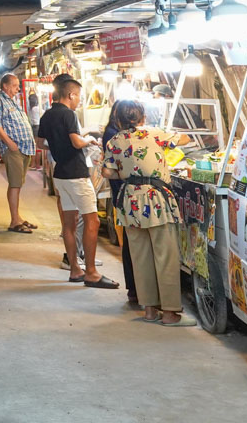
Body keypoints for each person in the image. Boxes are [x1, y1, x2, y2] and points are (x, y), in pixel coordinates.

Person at [101, 100, 192, 325]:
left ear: (119, 119)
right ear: (142, 117)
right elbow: (186, 139)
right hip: (156, 199)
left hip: (130, 201)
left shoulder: (115, 141)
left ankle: (150, 311)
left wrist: (127, 172)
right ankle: (170, 313)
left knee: (140, 258)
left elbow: (107, 172)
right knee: (165, 256)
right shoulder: (154, 133)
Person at [38, 75, 117, 289]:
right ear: (71, 94)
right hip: (76, 173)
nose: (79, 100)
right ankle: (91, 272)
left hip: (60, 175)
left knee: (69, 224)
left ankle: (75, 270)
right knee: (92, 221)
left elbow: (40, 143)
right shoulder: (69, 114)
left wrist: (57, 145)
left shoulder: (47, 115)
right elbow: (76, 142)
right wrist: (89, 139)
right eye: (79, 96)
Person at [101, 99, 143, 306]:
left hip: (126, 196)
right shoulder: (119, 137)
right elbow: (181, 139)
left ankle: (136, 291)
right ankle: (144, 293)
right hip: (132, 197)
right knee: (141, 244)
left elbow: (107, 170)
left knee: (131, 242)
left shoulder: (113, 138)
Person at [0, 74, 38, 234]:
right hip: (14, 149)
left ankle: (17, 216)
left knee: (18, 184)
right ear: (5, 86)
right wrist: (10, 143)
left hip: (23, 148)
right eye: (15, 85)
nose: (18, 89)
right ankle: (14, 221)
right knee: (15, 184)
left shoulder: (11, 101)